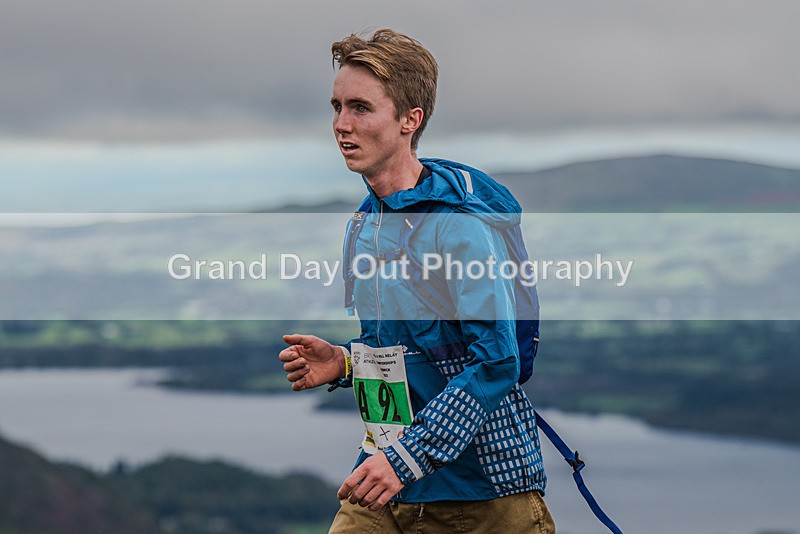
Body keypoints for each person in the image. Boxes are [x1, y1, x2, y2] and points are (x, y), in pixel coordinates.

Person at [279, 29, 555, 533]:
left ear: (411, 120)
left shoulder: (459, 226)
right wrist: (344, 361)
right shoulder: (365, 225)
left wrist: (408, 458)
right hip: (385, 481)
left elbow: (497, 361)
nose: (341, 124)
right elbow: (404, 352)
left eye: (361, 108)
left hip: (482, 496)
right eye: (337, 106)